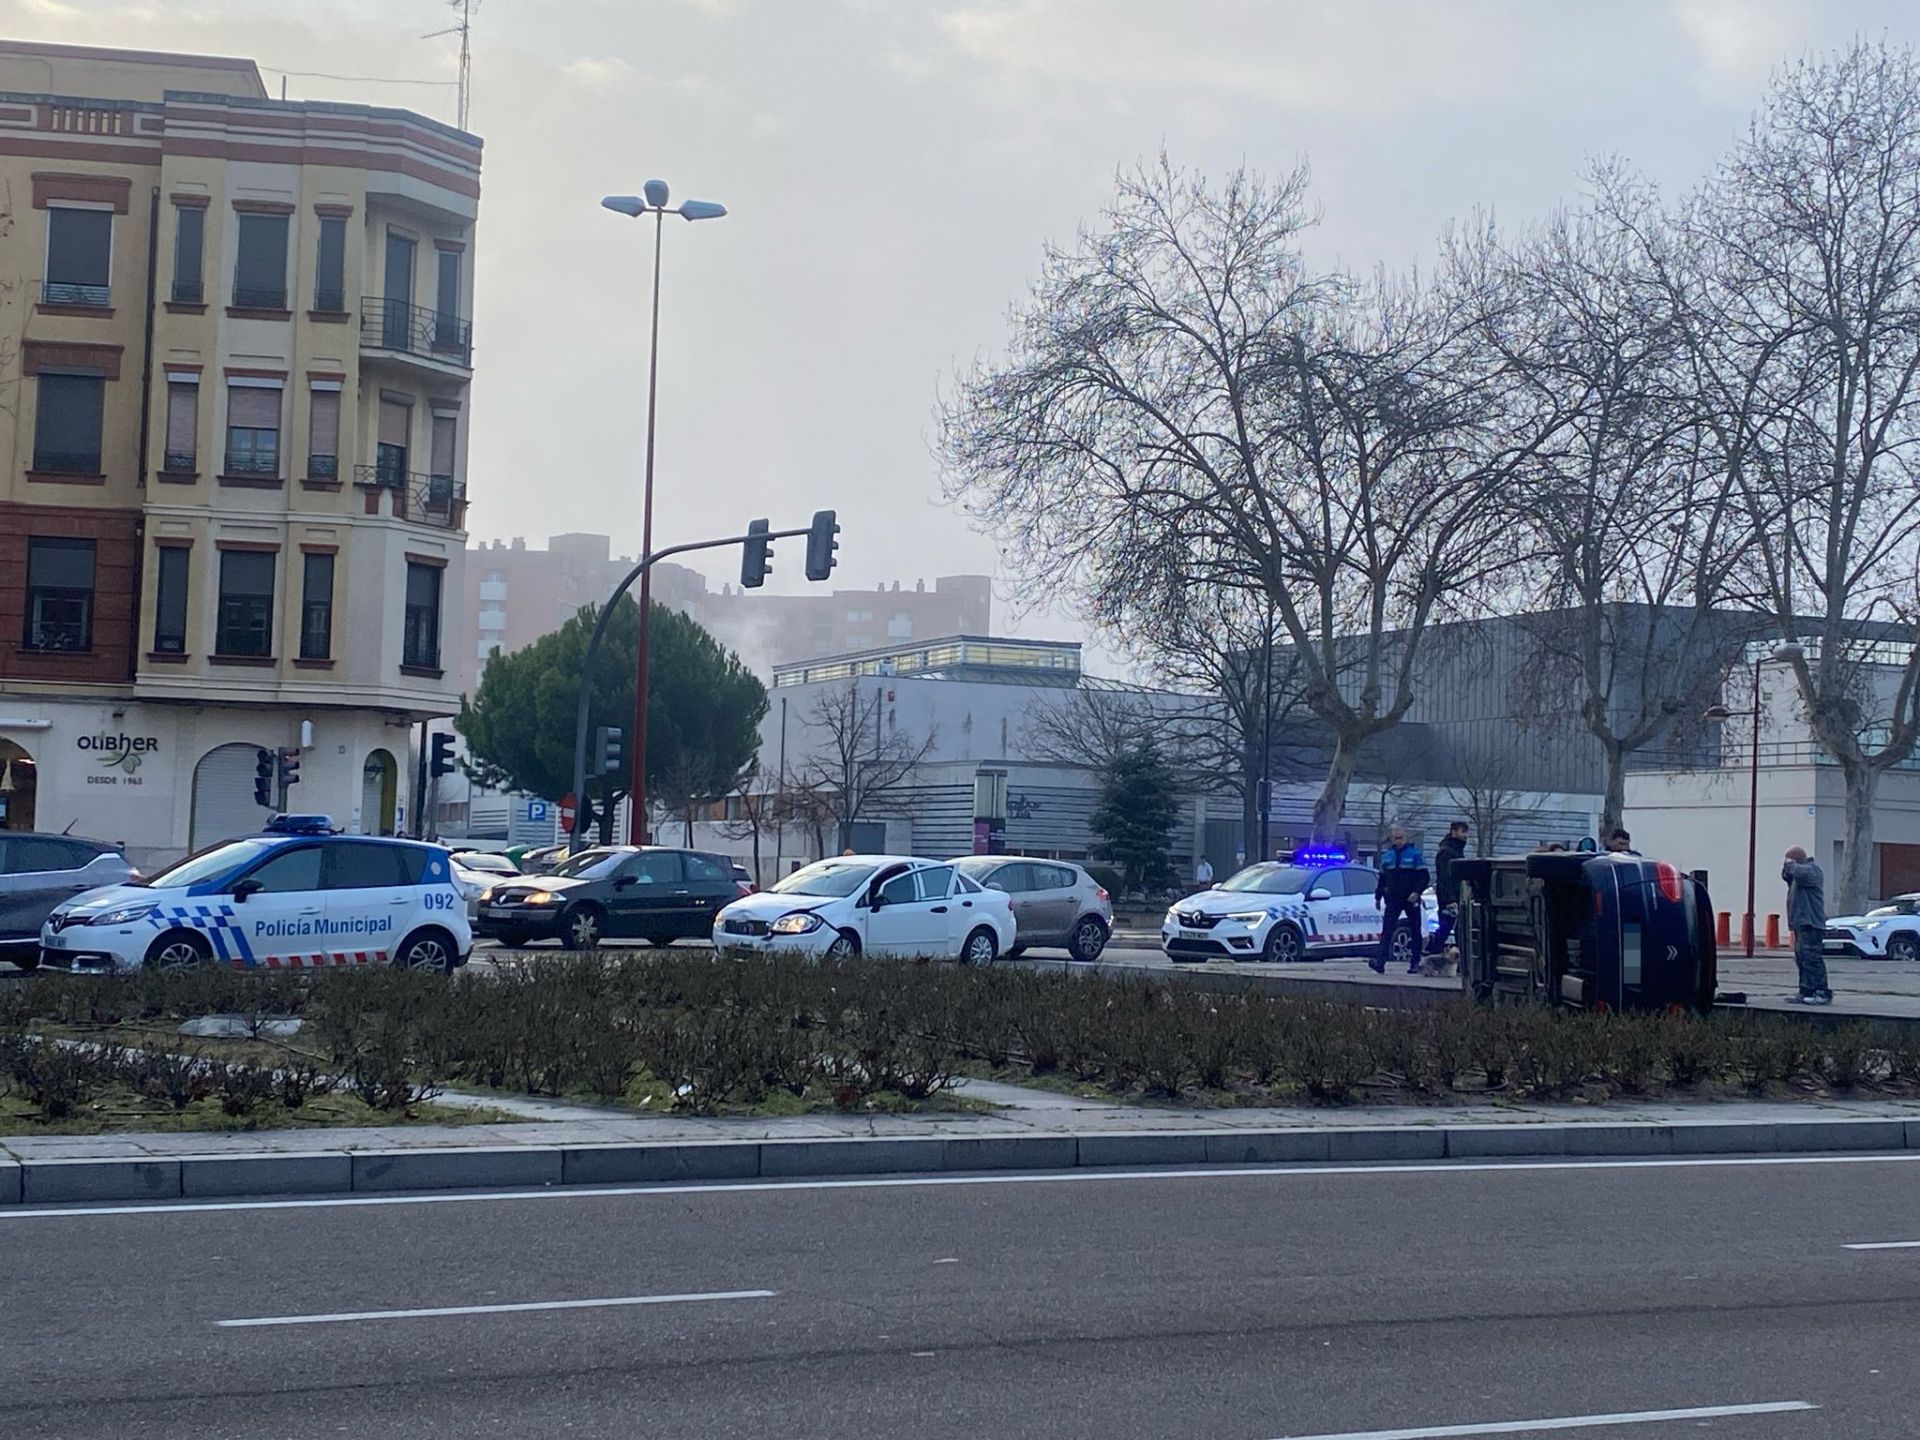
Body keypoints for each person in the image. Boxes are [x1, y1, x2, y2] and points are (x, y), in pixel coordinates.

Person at [1372, 825, 1429, 975]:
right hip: (1393, 898)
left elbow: (1424, 877)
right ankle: (1380, 962)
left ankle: (1415, 963)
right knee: (1387, 930)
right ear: (1392, 839)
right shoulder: (1387, 856)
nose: (1399, 841)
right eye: (1396, 838)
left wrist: (1417, 892)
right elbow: (1382, 879)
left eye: (1401, 838)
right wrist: (1378, 896)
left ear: (1406, 838)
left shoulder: (1415, 855)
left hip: (1411, 898)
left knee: (1415, 930)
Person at [1783, 847, 1832, 1005]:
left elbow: (1800, 873)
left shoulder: (1813, 871)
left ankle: (1822, 992)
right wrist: (1787, 869)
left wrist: (1791, 865)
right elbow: (1787, 876)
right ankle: (1805, 990)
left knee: (1812, 958)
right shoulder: (1797, 876)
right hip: (1801, 924)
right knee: (1802, 959)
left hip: (1811, 924)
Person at [1428, 820, 1469, 956]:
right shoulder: (1447, 852)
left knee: (1454, 928)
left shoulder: (1456, 850)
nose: (1466, 835)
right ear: (1454, 832)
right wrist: (1451, 899)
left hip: (1456, 895)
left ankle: (1436, 955)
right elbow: (1445, 878)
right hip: (1449, 897)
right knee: (1446, 928)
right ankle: (1432, 954)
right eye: (1463, 831)